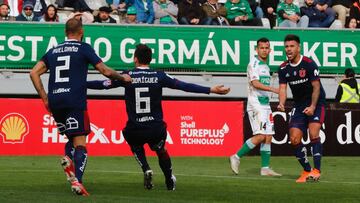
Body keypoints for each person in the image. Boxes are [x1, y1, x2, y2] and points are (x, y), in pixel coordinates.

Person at [87, 44, 230, 191]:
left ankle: (146, 168)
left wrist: (81, 84)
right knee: (161, 150)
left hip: (135, 128)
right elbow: (183, 86)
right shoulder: (159, 76)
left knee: (132, 140)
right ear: (150, 60)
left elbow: (102, 84)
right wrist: (211, 89)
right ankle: (169, 179)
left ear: (135, 59)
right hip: (155, 128)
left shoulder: (126, 76)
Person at [29, 18, 131, 196]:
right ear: (81, 31)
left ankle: (68, 158)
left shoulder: (53, 51)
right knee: (81, 142)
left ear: (65, 32)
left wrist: (45, 98)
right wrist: (123, 78)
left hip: (55, 101)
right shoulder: (83, 48)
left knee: (72, 137)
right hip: (74, 99)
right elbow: (105, 71)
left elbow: (34, 72)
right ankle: (78, 182)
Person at [277, 34, 326, 183]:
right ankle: (306, 170)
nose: (289, 49)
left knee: (313, 133)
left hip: (316, 103)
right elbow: (283, 89)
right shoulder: (283, 68)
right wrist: (281, 103)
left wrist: (312, 106)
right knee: (294, 139)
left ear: (299, 47)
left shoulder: (309, 64)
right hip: (299, 105)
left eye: (292, 46)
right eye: (286, 46)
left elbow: (316, 87)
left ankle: (317, 171)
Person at [229, 38, 281, 177]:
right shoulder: (254, 64)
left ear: (270, 50)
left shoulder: (266, 66)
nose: (264, 50)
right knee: (261, 136)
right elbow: (255, 83)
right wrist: (274, 90)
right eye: (261, 48)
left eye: (266, 48)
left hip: (265, 104)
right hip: (255, 104)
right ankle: (236, 156)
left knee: (269, 136)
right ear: (256, 49)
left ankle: (265, 168)